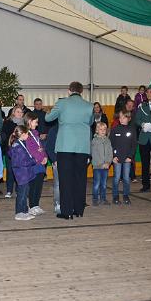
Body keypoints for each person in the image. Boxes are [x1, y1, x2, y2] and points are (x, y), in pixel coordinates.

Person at [45, 81, 94, 220]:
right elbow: (90, 122)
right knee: (80, 179)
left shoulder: (62, 103)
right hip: (82, 147)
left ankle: (66, 212)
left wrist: (52, 111)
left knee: (65, 180)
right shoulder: (89, 106)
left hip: (65, 146)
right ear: (81, 91)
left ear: (69, 90)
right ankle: (79, 210)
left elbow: (48, 118)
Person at [8, 125, 37, 221]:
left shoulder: (21, 143)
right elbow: (22, 162)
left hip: (25, 172)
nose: (28, 135)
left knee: (25, 192)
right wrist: (34, 160)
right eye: (27, 134)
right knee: (22, 193)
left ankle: (24, 210)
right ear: (23, 134)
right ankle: (19, 212)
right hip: (21, 173)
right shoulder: (17, 146)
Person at [24, 111, 48, 216]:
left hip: (40, 164)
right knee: (33, 186)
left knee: (39, 185)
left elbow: (41, 147)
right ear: (29, 121)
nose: (37, 124)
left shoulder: (36, 133)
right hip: (33, 164)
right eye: (35, 122)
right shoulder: (26, 135)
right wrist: (40, 158)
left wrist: (45, 156)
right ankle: (31, 206)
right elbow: (31, 150)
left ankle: (36, 205)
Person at [111, 110, 137, 205]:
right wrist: (114, 156)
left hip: (127, 159)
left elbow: (134, 145)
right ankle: (115, 196)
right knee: (116, 178)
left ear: (128, 119)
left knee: (126, 178)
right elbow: (111, 144)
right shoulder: (114, 129)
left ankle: (126, 196)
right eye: (120, 117)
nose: (121, 119)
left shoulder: (132, 130)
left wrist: (130, 156)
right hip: (117, 158)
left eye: (124, 117)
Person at [1, 106, 24, 198]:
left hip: (21, 152)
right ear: (13, 112)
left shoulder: (24, 125)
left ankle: (19, 190)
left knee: (20, 171)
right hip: (10, 150)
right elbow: (4, 137)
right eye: (18, 112)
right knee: (10, 171)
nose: (20, 113)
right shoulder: (7, 123)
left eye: (21, 112)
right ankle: (9, 190)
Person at [91, 121, 112, 206]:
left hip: (106, 166)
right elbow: (94, 154)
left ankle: (103, 199)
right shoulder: (94, 141)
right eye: (101, 129)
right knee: (96, 184)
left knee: (104, 184)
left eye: (104, 129)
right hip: (97, 167)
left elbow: (110, 153)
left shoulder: (108, 140)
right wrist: (101, 164)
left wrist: (108, 162)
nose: (103, 131)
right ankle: (95, 199)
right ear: (97, 130)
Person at [45, 121, 59, 214]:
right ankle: (58, 204)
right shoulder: (54, 130)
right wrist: (54, 160)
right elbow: (49, 147)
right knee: (58, 184)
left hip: (69, 161)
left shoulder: (70, 129)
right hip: (57, 161)